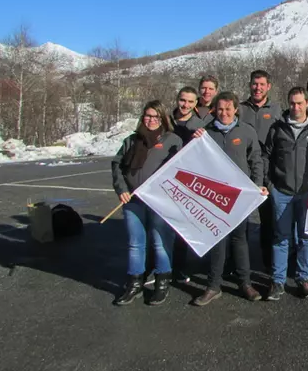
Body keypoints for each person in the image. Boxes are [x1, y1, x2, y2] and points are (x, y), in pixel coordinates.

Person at [191, 92, 269, 306]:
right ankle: (214, 286)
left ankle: (245, 283)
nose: (224, 113)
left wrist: (258, 183)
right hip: (215, 197)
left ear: (236, 109)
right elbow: (194, 161)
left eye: (228, 109)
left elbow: (256, 160)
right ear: (215, 109)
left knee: (240, 240)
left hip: (239, 197)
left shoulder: (246, 131)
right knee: (218, 241)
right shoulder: (206, 133)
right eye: (220, 109)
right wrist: (195, 141)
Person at [111, 100, 182, 306]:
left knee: (160, 243)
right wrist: (121, 189)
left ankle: (162, 283)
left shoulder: (172, 140)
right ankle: (134, 283)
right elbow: (117, 165)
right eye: (148, 116)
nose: (151, 120)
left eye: (155, 117)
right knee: (135, 243)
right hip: (133, 200)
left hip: (159, 201)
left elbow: (181, 169)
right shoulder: (132, 140)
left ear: (163, 119)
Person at [263, 87, 308, 300]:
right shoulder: (277, 128)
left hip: (307, 192)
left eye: (300, 103)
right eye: (292, 103)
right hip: (282, 192)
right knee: (281, 238)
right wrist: (269, 185)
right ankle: (278, 281)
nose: (296, 107)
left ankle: (304, 279)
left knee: (306, 237)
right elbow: (266, 157)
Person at [238, 70, 282, 275]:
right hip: (242, 169)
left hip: (268, 170)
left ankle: (268, 261)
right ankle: (237, 262)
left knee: (268, 219)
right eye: (255, 84)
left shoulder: (276, 109)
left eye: (262, 84)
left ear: (268, 86)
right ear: (250, 85)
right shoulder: (239, 108)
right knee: (239, 219)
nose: (258, 88)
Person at [171, 86, 205, 284]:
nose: (186, 105)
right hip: (165, 179)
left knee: (181, 227)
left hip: (186, 182)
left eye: (191, 102)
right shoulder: (167, 121)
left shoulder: (199, 125)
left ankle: (180, 267)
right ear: (178, 99)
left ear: (195, 104)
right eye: (183, 100)